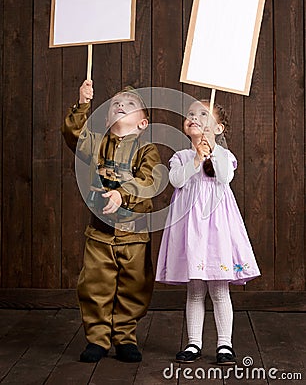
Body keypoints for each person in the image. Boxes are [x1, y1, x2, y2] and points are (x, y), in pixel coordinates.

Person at [62, 80, 162, 363]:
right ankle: (97, 338)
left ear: (142, 123)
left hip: (134, 236)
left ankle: (125, 336)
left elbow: (150, 180)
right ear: (107, 118)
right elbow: (74, 134)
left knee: (134, 287)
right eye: (116, 104)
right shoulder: (97, 143)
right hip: (100, 233)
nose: (121, 106)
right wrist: (83, 104)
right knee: (95, 284)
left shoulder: (147, 149)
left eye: (130, 105)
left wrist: (122, 193)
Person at [155, 99, 260, 365]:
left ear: (218, 128)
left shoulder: (225, 157)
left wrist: (211, 153)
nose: (194, 117)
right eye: (190, 113)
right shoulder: (180, 157)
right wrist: (196, 160)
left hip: (216, 230)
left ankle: (225, 344)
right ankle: (194, 344)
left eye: (203, 114)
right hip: (192, 230)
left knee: (219, 290)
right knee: (195, 290)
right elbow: (176, 180)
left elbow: (224, 177)